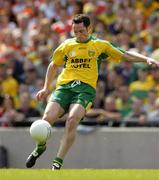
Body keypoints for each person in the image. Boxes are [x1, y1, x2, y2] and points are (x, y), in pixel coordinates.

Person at [25, 14, 159, 170]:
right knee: (47, 118)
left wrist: (146, 59)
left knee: (72, 119)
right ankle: (41, 146)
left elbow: (126, 54)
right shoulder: (67, 45)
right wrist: (46, 87)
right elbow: (53, 65)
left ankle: (57, 162)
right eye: (75, 31)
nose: (79, 35)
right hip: (64, 87)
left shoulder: (100, 45)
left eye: (82, 31)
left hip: (85, 89)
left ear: (90, 28)